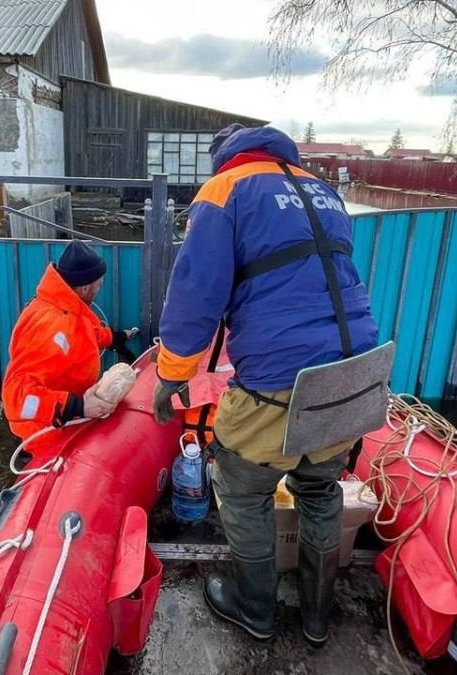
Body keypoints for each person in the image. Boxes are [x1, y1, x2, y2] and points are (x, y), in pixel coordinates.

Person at [152, 123, 378, 646]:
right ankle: (318, 617)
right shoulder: (323, 191)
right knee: (320, 487)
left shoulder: (224, 190)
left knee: (242, 486)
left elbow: (195, 293)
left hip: (280, 373)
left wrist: (172, 375)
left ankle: (255, 609)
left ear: (223, 158)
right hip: (356, 370)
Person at [2, 241, 136, 441]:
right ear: (84, 288)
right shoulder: (51, 326)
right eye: (98, 286)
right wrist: (78, 406)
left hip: (67, 422)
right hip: (44, 435)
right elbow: (16, 397)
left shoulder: (66, 306)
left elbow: (85, 335)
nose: (98, 290)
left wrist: (116, 337)